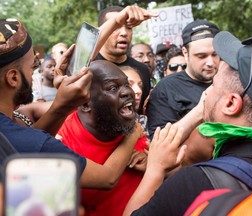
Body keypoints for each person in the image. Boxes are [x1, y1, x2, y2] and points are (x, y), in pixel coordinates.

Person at [123, 31, 252, 215]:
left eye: (214, 85)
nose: (206, 93)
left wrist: (155, 170)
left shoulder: (194, 184)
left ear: (231, 103)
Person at [0, 6, 156, 191]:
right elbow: (107, 178)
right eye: (33, 66)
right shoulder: (21, 138)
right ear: (13, 78)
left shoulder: (17, 134)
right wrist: (133, 131)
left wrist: (115, 22)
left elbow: (32, 141)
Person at [57, 60, 148, 216]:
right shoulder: (60, 142)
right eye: (113, 88)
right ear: (85, 104)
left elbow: (175, 171)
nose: (128, 92)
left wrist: (152, 165)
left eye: (126, 84)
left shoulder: (130, 126)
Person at [146, 20, 220, 139]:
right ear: (185, 53)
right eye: (202, 56)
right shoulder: (166, 88)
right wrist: (200, 111)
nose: (210, 63)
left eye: (215, 54)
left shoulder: (231, 79)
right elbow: (158, 142)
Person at [96, 6, 152, 115]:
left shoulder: (142, 70)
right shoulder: (88, 65)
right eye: (116, 27)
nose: (124, 33)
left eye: (129, 28)